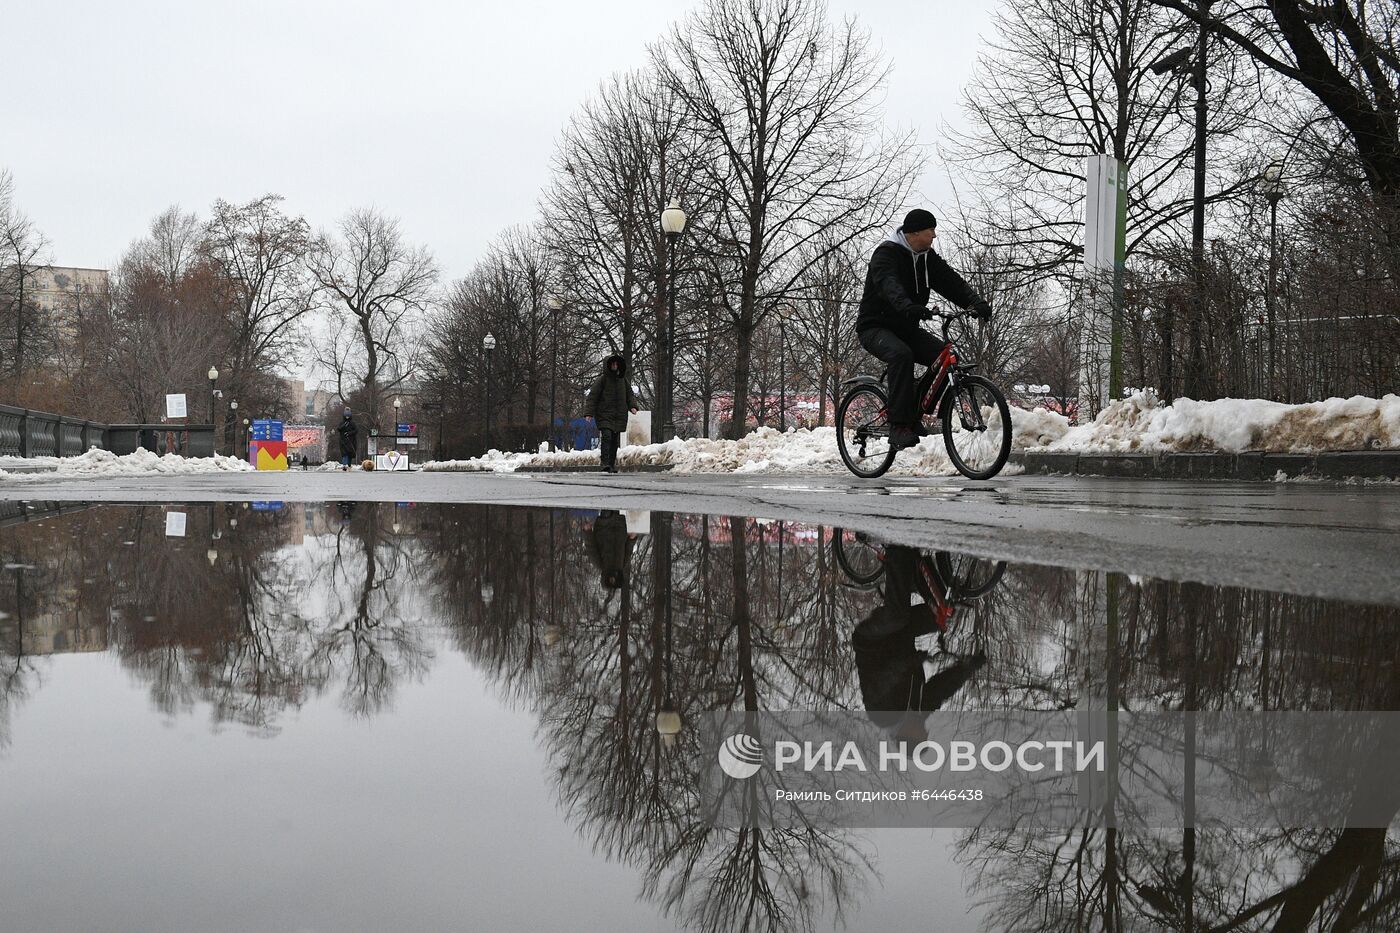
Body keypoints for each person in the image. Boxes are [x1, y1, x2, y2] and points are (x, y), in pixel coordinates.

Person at [857, 208, 993, 450]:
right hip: (875, 327)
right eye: (931, 231)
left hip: (906, 327)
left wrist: (976, 302)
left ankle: (913, 413)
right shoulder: (886, 254)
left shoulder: (927, 258)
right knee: (901, 355)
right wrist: (907, 306)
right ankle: (899, 426)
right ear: (915, 232)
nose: (934, 236)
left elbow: (952, 283)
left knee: (945, 356)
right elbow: (890, 285)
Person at [852, 545, 987, 748]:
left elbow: (887, 676)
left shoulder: (882, 716)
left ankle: (897, 553)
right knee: (942, 613)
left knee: (897, 616)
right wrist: (967, 668)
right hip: (902, 638)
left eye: (921, 736)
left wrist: (913, 660)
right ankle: (915, 568)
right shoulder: (918, 712)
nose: (925, 731)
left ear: (907, 736)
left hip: (872, 640)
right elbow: (942, 688)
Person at [586, 354, 639, 473]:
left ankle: (611, 464)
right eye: (612, 364)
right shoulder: (602, 380)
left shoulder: (623, 380)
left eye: (616, 364)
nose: (615, 366)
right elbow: (593, 396)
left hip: (618, 415)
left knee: (615, 440)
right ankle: (604, 463)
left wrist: (633, 406)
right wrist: (589, 413)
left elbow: (629, 394)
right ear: (608, 365)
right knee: (607, 436)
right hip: (604, 414)